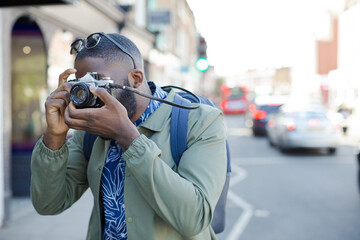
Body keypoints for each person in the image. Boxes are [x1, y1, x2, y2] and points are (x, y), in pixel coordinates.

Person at [30, 32, 227, 240]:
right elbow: (48, 204)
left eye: (100, 84)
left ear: (136, 78)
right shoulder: (89, 132)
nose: (91, 95)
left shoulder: (200, 122)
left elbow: (194, 219)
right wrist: (54, 136)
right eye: (83, 86)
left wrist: (127, 137)